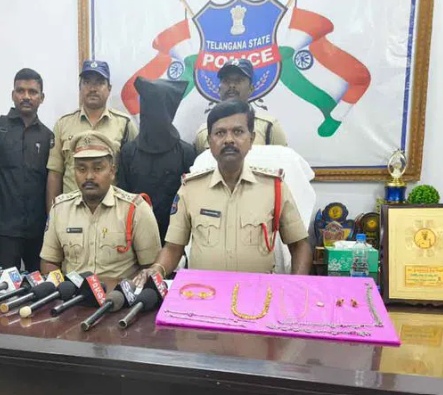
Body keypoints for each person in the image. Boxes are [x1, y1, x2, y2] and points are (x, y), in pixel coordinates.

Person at [134, 99, 312, 285]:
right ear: (210, 141)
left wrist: (296, 287)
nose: (229, 139)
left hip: (257, 293)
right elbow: (173, 248)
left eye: (238, 132)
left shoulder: (274, 187)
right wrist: (157, 269)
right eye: (220, 133)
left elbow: (299, 245)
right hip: (203, 292)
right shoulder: (190, 189)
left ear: (251, 139)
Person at [40, 131, 161, 279]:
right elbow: (49, 262)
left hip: (119, 293)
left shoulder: (135, 209)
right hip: (72, 293)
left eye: (97, 168)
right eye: (81, 169)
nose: (89, 176)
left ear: (112, 171)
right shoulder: (60, 209)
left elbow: (150, 268)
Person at [0, 69, 53, 271]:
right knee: (5, 286)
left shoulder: (48, 137)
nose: (26, 96)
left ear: (42, 97)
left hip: (38, 233)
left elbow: (51, 185)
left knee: (40, 286)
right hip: (3, 231)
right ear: (13, 95)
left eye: (32, 92)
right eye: (20, 91)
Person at [45, 60, 138, 212]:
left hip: (112, 213)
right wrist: (52, 216)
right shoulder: (63, 124)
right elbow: (55, 174)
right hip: (71, 213)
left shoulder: (125, 124)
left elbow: (134, 174)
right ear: (79, 88)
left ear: (109, 89)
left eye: (99, 83)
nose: (93, 89)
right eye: (87, 82)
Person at [117, 77, 195, 244]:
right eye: (148, 106)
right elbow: (122, 202)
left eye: (157, 107)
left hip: (175, 240)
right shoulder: (128, 152)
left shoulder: (186, 153)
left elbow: (191, 203)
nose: (152, 113)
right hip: (135, 238)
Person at [193, 59, 288, 153]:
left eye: (238, 80)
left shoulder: (268, 126)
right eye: (226, 81)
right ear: (219, 89)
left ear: (251, 89)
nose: (231, 85)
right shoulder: (204, 132)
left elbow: (284, 161)